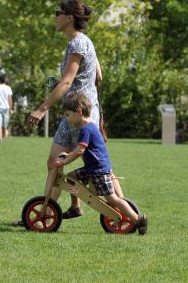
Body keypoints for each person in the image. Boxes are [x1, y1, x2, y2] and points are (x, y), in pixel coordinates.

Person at [25, 0, 124, 220]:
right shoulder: (85, 42)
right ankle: (95, 207)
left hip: (78, 114)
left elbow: (68, 81)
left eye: (58, 12)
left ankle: (43, 214)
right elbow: (99, 75)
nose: (55, 16)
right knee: (93, 165)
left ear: (69, 17)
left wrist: (42, 109)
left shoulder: (77, 44)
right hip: (84, 111)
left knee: (58, 163)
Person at [52, 94, 147, 235]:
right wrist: (68, 154)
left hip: (98, 170)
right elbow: (82, 149)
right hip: (93, 168)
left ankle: (138, 219)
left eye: (67, 115)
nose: (66, 118)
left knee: (112, 199)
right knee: (71, 178)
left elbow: (80, 150)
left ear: (78, 112)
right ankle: (75, 207)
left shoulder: (86, 129)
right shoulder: (89, 127)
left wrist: (64, 161)